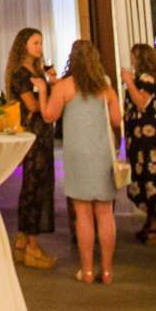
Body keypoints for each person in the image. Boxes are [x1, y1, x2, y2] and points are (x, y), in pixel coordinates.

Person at [44, 39, 124, 284]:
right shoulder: (105, 87)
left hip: (77, 155)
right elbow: (117, 119)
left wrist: (42, 94)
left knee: (83, 214)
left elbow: (49, 116)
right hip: (101, 154)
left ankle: (87, 270)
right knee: (105, 213)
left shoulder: (65, 86)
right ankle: (108, 270)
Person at [4, 28, 57, 270]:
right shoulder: (21, 74)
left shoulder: (37, 72)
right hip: (33, 134)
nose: (39, 47)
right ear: (23, 45)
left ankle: (24, 240)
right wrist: (47, 92)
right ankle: (32, 245)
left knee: (36, 185)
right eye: (35, 42)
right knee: (35, 187)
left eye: (41, 42)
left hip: (42, 133)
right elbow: (33, 105)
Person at [123, 41, 156, 244]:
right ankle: (152, 221)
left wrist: (129, 82)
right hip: (146, 136)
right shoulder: (155, 78)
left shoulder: (145, 78)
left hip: (148, 138)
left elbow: (142, 103)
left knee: (151, 177)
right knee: (150, 176)